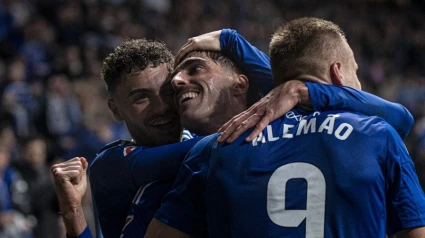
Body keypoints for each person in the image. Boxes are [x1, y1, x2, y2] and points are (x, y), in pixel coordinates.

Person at [53, 29, 414, 238]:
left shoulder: (207, 152)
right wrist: (73, 215)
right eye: (140, 99)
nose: (165, 106)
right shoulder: (113, 163)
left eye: (167, 91)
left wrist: (300, 91)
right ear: (115, 109)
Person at [144, 18, 425, 238]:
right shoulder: (378, 135)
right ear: (338, 72)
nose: (360, 85)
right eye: (356, 73)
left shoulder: (215, 148)